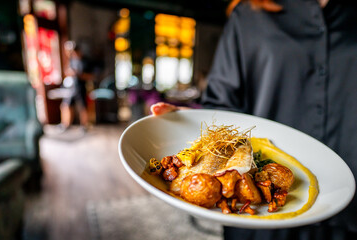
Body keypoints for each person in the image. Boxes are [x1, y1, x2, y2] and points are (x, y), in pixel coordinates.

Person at [151, 0, 357, 239]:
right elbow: (222, 103)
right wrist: (194, 119)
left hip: (350, 210)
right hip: (258, 215)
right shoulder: (248, 14)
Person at [59, 41, 93, 131]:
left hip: (81, 87)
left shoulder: (85, 61)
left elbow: (90, 76)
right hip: (71, 88)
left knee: (83, 107)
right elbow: (67, 72)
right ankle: (66, 124)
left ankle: (84, 126)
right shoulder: (72, 60)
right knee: (66, 105)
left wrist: (78, 74)